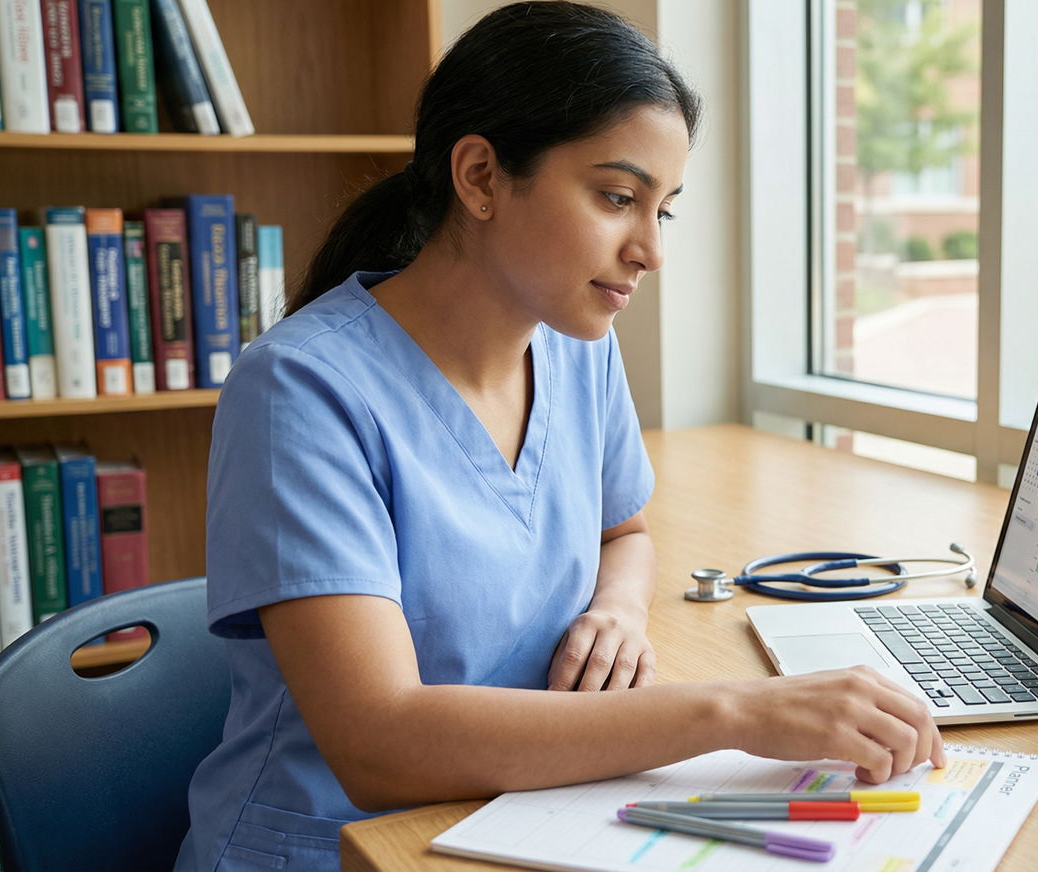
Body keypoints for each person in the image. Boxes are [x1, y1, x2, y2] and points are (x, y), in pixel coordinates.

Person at [174, 3, 944, 869]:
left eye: (663, 210)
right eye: (618, 198)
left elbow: (625, 532)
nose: (649, 250)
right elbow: (378, 741)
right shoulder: (299, 390)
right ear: (480, 176)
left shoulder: (577, 347)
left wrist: (617, 610)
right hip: (342, 846)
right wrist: (736, 712)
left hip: (521, 812)